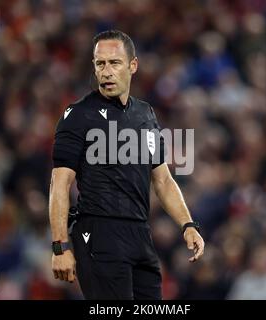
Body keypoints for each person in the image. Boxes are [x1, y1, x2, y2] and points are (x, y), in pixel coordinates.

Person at [48, 29, 204, 300]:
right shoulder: (77, 116)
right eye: (100, 64)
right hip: (98, 232)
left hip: (141, 234)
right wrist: (60, 247)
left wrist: (188, 224)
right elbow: (59, 184)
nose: (106, 71)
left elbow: (163, 179)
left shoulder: (145, 114)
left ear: (132, 66)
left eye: (114, 63)